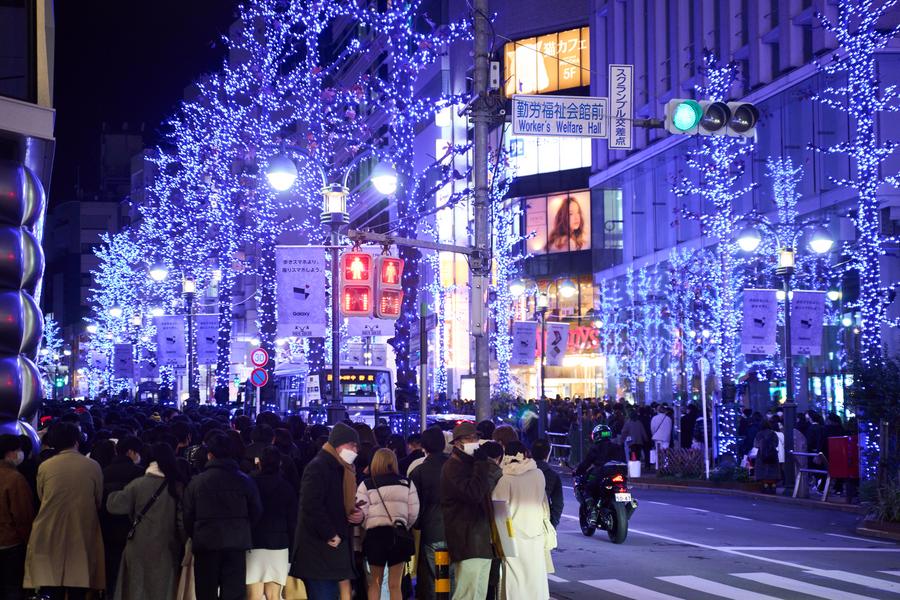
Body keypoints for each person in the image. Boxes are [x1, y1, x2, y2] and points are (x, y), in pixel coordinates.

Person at [24, 422, 106, 600]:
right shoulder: (92, 465)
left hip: (50, 527)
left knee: (53, 583)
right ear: (77, 441)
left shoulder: (46, 466)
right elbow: (98, 499)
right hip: (82, 528)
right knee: (79, 582)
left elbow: (41, 496)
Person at [183, 431, 262, 600]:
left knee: (206, 592)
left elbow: (188, 515)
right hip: (236, 542)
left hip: (206, 543)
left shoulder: (197, 482)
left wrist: (196, 533)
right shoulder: (245, 480)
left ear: (210, 455)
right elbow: (256, 510)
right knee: (233, 593)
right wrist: (243, 528)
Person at [290, 422, 364, 600]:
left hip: (334, 549)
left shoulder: (342, 468)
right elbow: (311, 505)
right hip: (319, 549)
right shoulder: (319, 466)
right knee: (324, 594)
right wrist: (330, 534)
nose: (355, 451)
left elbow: (337, 504)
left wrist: (356, 515)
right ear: (338, 444)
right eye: (352, 445)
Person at [107, 443, 187, 600]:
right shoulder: (177, 487)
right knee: (162, 590)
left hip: (138, 545)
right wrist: (184, 543)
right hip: (166, 548)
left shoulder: (138, 484)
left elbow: (114, 506)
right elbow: (181, 523)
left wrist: (112, 491)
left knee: (136, 589)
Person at [440, 422, 503, 600]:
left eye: (475, 437)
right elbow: (474, 493)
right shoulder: (453, 467)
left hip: (481, 540)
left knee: (478, 593)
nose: (474, 441)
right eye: (469, 439)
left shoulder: (471, 463)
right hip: (467, 540)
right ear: (457, 443)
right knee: (467, 594)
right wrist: (481, 464)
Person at [356, 448, 420, 600]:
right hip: (398, 536)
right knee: (395, 584)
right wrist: (404, 526)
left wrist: (369, 524)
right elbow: (413, 512)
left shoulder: (366, 484)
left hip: (375, 536)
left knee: (375, 583)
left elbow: (361, 513)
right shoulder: (406, 483)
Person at [492, 441, 550, 600]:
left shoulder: (506, 480)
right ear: (525, 454)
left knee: (515, 581)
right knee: (535, 579)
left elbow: (499, 512)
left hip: (514, 538)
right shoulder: (538, 474)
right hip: (536, 535)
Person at [246, 446, 297, 600]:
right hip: (279, 544)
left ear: (259, 463)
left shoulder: (250, 484)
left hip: (254, 543)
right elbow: (292, 522)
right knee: (274, 596)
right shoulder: (286, 487)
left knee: (253, 596)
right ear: (279, 464)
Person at [101, 435, 145, 595]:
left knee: (112, 570)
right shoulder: (139, 473)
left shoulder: (104, 472)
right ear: (131, 452)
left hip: (107, 529)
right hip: (132, 529)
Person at [409, 428, 449, 599]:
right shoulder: (456, 466)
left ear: (423, 446)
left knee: (435, 578)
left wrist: (417, 524)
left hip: (432, 530)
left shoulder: (418, 471)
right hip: (457, 531)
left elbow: (414, 506)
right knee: (451, 577)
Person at [0, 434, 35, 600]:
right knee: (12, 589)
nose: (20, 453)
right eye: (18, 450)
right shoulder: (14, 478)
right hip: (11, 543)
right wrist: (29, 541)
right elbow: (23, 516)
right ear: (10, 452)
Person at [531, 439, 563, 529]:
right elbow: (558, 504)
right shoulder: (552, 475)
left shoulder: (520, 471)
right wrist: (552, 525)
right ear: (548, 454)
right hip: (542, 520)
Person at [753, 420, 780, 494]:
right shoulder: (773, 433)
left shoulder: (759, 434)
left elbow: (756, 445)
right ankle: (773, 487)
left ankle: (765, 487)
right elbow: (776, 444)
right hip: (773, 455)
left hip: (761, 455)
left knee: (763, 473)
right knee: (773, 473)